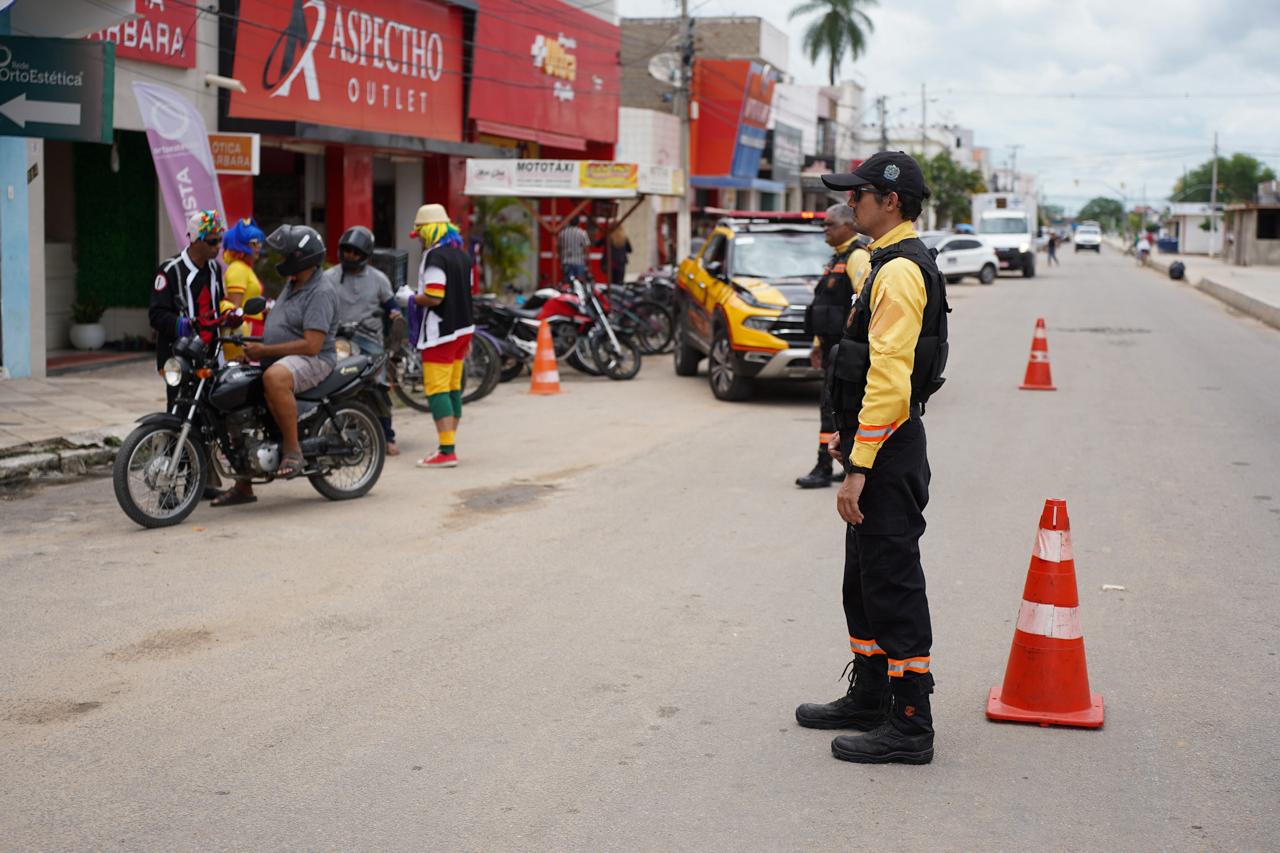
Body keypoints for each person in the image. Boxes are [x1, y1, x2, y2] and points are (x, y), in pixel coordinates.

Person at [795, 151, 949, 766]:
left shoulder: (901, 271)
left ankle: (910, 722)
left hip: (885, 447)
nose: (848, 203)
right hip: (874, 439)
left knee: (892, 581)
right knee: (863, 579)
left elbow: (889, 375)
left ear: (889, 200)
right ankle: (871, 694)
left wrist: (857, 465)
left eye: (857, 194)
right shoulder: (885, 262)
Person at [242, 225, 339, 480]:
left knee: (275, 378)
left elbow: (311, 345)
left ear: (301, 258)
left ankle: (293, 450)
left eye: (286, 257)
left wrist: (265, 350)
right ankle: (244, 480)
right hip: (285, 356)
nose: (281, 262)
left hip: (316, 359)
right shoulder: (294, 282)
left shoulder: (320, 292)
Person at [797, 203, 870, 489]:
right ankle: (844, 462)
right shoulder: (836, 258)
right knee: (837, 407)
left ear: (848, 226)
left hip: (845, 350)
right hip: (831, 347)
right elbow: (824, 305)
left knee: (831, 408)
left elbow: (863, 302)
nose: (824, 229)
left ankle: (823, 466)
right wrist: (817, 344)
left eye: (829, 224)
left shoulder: (856, 257)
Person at [398, 203, 475, 469]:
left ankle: (446, 451)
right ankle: (449, 445)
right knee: (453, 387)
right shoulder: (462, 255)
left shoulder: (435, 257)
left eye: (420, 233)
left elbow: (434, 296)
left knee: (437, 390)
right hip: (464, 330)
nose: (418, 238)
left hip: (441, 333)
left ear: (429, 230)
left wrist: (408, 298)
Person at [326, 225, 401, 456]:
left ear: (366, 255)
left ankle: (387, 436)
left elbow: (392, 306)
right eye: (347, 251)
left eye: (355, 252)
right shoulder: (328, 278)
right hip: (339, 341)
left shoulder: (379, 279)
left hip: (370, 341)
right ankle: (332, 434)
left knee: (378, 386)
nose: (350, 256)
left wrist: (396, 315)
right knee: (332, 386)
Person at [149, 209, 227, 410]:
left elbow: (217, 305)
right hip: (179, 357)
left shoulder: (214, 269)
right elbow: (156, 315)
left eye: (220, 240)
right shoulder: (170, 270)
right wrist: (184, 325)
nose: (218, 246)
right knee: (179, 412)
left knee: (211, 413)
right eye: (212, 242)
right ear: (195, 240)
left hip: (210, 356)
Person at [220, 218, 267, 363]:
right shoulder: (238, 269)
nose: (259, 246)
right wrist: (240, 345)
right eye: (254, 243)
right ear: (241, 245)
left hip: (254, 330)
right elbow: (235, 309)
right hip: (246, 332)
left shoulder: (245, 268)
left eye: (259, 242)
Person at [558, 215, 591, 283]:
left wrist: (560, 259)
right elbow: (586, 248)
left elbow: (559, 247)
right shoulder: (582, 233)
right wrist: (588, 261)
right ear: (578, 222)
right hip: (579, 261)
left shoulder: (562, 233)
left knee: (567, 283)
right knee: (579, 283)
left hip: (566, 261)